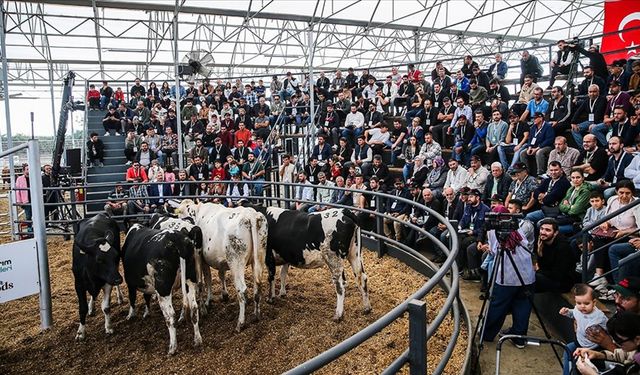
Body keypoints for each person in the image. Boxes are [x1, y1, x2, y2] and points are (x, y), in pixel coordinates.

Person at [481, 205, 535, 349]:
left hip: (507, 276)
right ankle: (519, 337)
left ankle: (487, 334)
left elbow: (494, 250)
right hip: (526, 275)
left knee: (498, 305)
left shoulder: (493, 230)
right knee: (523, 305)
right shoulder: (515, 227)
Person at [559, 284, 609, 375]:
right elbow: (574, 314)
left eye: (586, 303)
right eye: (578, 303)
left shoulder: (599, 317)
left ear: (594, 302)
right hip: (578, 342)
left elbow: (609, 328)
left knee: (579, 365)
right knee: (567, 351)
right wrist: (567, 312)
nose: (582, 306)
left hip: (593, 347)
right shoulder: (578, 309)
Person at [574, 312, 640, 375]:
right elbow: (626, 355)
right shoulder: (635, 351)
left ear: (637, 339)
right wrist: (598, 355)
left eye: (619, 340)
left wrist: (592, 373)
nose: (614, 342)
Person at [535, 218, 576, 293]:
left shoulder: (563, 247)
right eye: (542, 229)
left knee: (533, 278)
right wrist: (540, 254)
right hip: (548, 276)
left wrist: (539, 270)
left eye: (547, 230)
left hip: (562, 283)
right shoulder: (542, 241)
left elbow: (557, 275)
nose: (543, 232)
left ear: (555, 233)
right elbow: (542, 266)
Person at [525, 161, 571, 225]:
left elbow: (550, 199)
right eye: (551, 170)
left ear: (561, 170)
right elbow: (536, 192)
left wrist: (543, 198)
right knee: (528, 217)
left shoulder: (564, 182)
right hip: (545, 209)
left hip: (556, 212)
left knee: (539, 224)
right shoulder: (547, 180)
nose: (553, 172)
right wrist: (542, 196)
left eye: (556, 170)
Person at [518, 112, 554, 177]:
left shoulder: (548, 126)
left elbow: (549, 140)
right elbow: (530, 139)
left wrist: (538, 148)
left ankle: (540, 173)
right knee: (522, 153)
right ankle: (526, 172)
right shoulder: (533, 127)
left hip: (546, 146)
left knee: (539, 152)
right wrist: (529, 147)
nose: (533, 120)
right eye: (533, 118)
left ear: (541, 118)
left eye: (535, 118)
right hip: (534, 146)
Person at [557, 169, 592, 234]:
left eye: (578, 177)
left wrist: (567, 206)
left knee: (554, 229)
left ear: (583, 178)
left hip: (577, 220)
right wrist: (570, 207)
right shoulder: (571, 189)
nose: (575, 180)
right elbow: (561, 206)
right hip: (566, 217)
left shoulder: (585, 192)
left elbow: (575, 211)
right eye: (573, 178)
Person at [383, 178, 411, 243]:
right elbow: (388, 203)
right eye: (397, 184)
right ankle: (389, 236)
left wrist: (399, 213)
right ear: (394, 185)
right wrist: (389, 212)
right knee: (381, 218)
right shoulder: (392, 192)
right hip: (392, 212)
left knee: (396, 222)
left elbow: (407, 206)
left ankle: (398, 239)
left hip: (401, 213)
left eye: (400, 184)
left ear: (403, 184)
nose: (398, 185)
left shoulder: (407, 193)